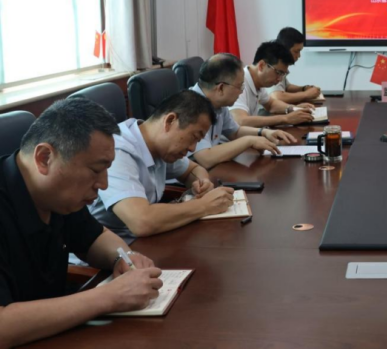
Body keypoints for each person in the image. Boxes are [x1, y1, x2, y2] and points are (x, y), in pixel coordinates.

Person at [0, 98, 164, 347]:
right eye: (96, 170)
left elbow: (95, 237)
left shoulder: (57, 194)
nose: (104, 184)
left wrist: (124, 257)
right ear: (44, 158)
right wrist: (109, 297)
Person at [89, 90, 235, 243]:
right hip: (114, 251)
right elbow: (141, 221)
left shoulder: (159, 146)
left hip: (147, 241)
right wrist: (204, 205)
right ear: (170, 121)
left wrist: (202, 182)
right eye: (194, 137)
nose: (192, 148)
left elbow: (194, 170)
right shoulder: (117, 151)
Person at [189, 53, 297, 169]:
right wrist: (249, 141)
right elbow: (206, 158)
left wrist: (264, 132)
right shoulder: (192, 107)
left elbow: (235, 132)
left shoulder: (218, 103)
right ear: (221, 88)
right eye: (239, 86)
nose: (241, 91)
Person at [229, 41, 315, 128]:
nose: (280, 79)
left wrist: (293, 108)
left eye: (283, 74)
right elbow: (240, 121)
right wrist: (285, 118)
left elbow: (271, 104)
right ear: (262, 66)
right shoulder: (239, 82)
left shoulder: (258, 83)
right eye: (278, 72)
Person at [267, 27, 322, 105]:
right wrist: (306, 94)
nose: (299, 56)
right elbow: (277, 97)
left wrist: (304, 88)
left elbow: (286, 87)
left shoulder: (281, 64)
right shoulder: (273, 66)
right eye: (296, 51)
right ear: (285, 49)